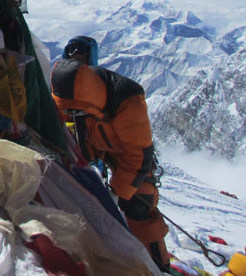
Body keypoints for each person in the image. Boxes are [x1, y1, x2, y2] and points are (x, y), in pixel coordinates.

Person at [50, 35, 170, 273]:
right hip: (91, 144)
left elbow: (138, 157)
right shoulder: (70, 92)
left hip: (125, 155)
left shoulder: (128, 99)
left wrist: (117, 192)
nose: (72, 113)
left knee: (139, 206)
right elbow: (61, 120)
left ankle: (158, 266)